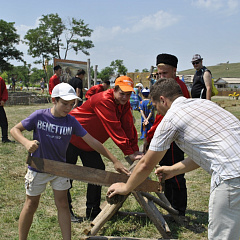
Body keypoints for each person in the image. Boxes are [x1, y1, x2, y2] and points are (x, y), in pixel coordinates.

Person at [108, 78, 240, 240]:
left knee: (223, 236)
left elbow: (146, 163)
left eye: (156, 107)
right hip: (234, 171)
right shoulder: (206, 105)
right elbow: (208, 154)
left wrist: (126, 187)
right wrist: (173, 170)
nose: (158, 112)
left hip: (231, 177)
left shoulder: (171, 118)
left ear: (162, 100)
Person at [10, 83, 127, 240]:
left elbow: (92, 141)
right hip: (38, 168)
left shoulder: (71, 121)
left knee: (63, 205)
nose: (68, 108)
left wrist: (114, 160)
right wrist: (26, 143)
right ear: (54, 100)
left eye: (72, 104)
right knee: (31, 205)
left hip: (60, 170)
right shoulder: (39, 116)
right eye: (64, 104)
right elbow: (14, 130)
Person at [66, 76, 143, 221]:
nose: (125, 97)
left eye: (128, 94)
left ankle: (93, 211)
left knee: (98, 172)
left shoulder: (123, 103)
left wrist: (134, 150)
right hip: (71, 138)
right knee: (66, 175)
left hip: (89, 143)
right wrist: (128, 152)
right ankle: (65, 211)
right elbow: (114, 127)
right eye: (122, 93)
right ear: (114, 90)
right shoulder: (104, 100)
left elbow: (127, 125)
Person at [144, 53, 190, 216]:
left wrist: (150, 133)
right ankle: (169, 205)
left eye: (165, 73)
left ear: (174, 71)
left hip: (173, 136)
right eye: (159, 74)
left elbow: (166, 118)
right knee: (164, 172)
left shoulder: (177, 88)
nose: (161, 77)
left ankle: (178, 209)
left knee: (174, 172)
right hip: (164, 133)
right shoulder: (164, 86)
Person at [0, 77, 14, 143]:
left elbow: (4, 90)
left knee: (4, 122)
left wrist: (3, 99)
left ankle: (5, 138)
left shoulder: (0, 79)